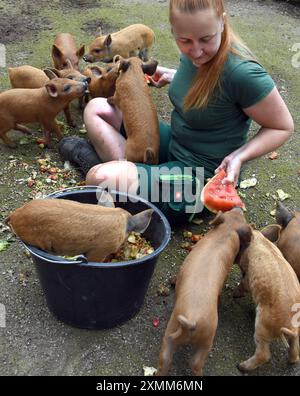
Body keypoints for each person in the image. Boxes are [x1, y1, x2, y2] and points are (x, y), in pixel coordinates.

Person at [59, 0, 294, 223]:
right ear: (174, 31)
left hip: (200, 175)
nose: (196, 51)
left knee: (99, 178)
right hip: (174, 144)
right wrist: (174, 75)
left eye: (206, 39)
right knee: (97, 108)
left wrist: (239, 156)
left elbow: (282, 126)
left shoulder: (243, 73)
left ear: (222, 21)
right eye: (185, 41)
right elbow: (201, 78)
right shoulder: (194, 52)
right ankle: (137, 179)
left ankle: (110, 176)